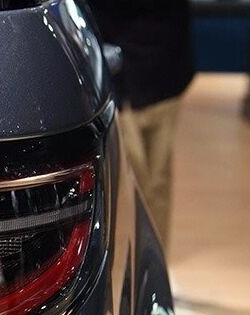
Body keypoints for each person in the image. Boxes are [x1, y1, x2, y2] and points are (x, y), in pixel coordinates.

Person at [89, 0, 195, 247]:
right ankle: (134, 261)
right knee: (132, 185)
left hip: (163, 72)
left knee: (156, 182)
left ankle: (153, 262)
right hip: (118, 73)